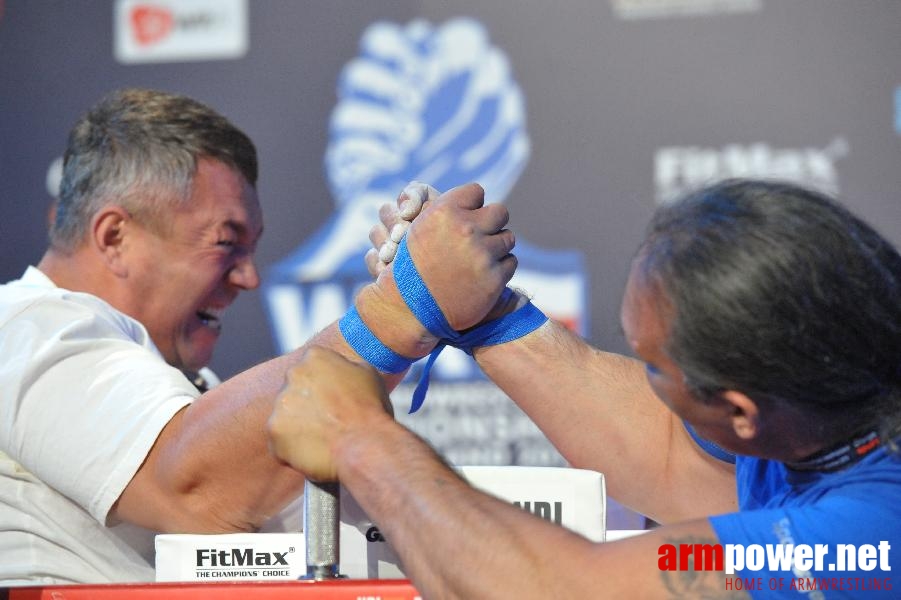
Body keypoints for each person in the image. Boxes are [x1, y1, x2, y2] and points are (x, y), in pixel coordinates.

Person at [269, 179, 901, 599]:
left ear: (740, 411)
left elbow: (560, 591)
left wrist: (363, 439)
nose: (646, 382)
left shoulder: (863, 539)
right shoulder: (817, 423)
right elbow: (666, 453)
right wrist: (483, 311)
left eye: (655, 367)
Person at [0, 88, 521, 585]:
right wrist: (402, 309)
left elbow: (357, 537)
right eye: (226, 244)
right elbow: (198, 491)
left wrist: (465, 302)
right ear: (114, 237)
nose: (249, 277)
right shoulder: (27, 329)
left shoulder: (183, 385)